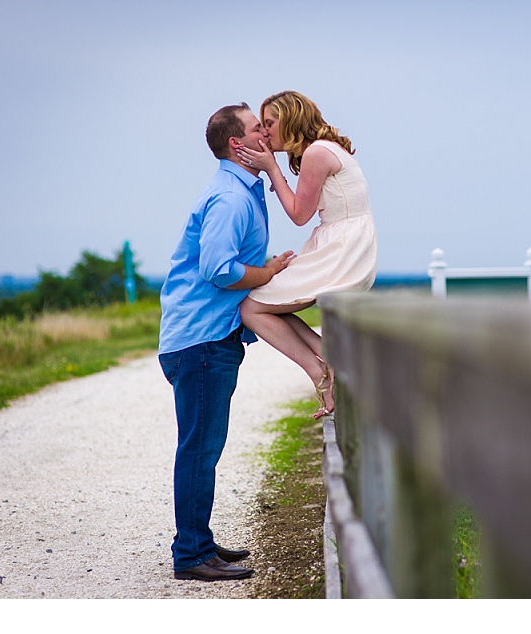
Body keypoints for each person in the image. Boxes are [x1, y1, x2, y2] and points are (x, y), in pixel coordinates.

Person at [158, 103, 295, 581]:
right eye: (259, 127)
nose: (267, 132)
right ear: (238, 144)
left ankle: (199, 540)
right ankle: (192, 555)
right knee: (199, 447)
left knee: (203, 445)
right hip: (200, 340)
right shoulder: (231, 199)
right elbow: (219, 270)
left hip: (207, 337)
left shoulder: (240, 191)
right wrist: (270, 271)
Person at [236, 91, 378, 419]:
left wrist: (272, 168)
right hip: (345, 244)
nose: (266, 132)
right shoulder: (325, 149)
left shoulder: (317, 153)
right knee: (268, 306)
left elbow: (300, 214)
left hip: (341, 250)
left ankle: (321, 374)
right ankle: (328, 361)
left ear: (291, 118)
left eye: (270, 123)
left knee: (250, 306)